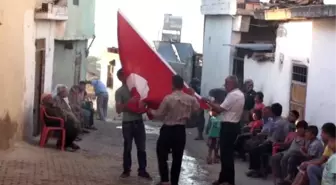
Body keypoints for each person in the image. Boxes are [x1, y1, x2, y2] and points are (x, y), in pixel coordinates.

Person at [149, 75, 200, 185]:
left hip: (168, 129)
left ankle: (165, 180)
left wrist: (149, 109)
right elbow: (197, 108)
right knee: (178, 157)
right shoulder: (190, 99)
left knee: (161, 154)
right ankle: (174, 182)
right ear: (182, 85)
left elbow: (159, 114)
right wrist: (193, 95)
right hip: (180, 130)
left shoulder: (168, 98)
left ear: (172, 85)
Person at [202, 75, 245, 185]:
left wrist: (208, 102)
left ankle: (229, 180)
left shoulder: (233, 95)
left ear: (232, 84)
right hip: (233, 125)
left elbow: (219, 109)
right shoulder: (240, 94)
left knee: (227, 155)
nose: (225, 85)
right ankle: (223, 178)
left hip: (229, 126)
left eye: (226, 83)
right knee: (226, 154)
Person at [115, 69, 151, 179]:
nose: (127, 77)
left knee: (141, 148)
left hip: (139, 121)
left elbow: (145, 101)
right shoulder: (119, 92)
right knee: (128, 147)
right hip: (127, 123)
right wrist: (129, 103)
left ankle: (142, 170)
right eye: (124, 75)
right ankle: (126, 170)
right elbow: (118, 110)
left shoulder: (138, 88)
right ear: (120, 77)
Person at [246, 103, 292, 178]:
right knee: (256, 147)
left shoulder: (278, 123)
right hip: (273, 142)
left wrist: (266, 141)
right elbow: (267, 132)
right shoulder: (277, 121)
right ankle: (261, 168)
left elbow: (275, 137)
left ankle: (258, 171)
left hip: (276, 144)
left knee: (255, 150)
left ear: (272, 112)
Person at [271, 120, 308, 184]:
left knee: (284, 159)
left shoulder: (306, 139)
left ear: (305, 129)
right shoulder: (295, 136)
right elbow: (288, 144)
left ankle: (286, 179)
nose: (298, 130)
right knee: (275, 157)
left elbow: (305, 150)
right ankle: (278, 177)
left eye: (300, 128)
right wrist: (278, 143)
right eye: (298, 128)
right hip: (287, 151)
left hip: (295, 154)